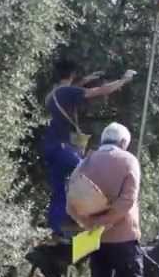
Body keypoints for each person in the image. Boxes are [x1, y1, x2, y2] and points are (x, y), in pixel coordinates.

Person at [67, 122, 144, 277]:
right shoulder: (129, 161)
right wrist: (107, 221)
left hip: (95, 237)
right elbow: (127, 201)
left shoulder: (85, 162)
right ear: (123, 142)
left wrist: (90, 224)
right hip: (124, 235)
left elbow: (71, 202)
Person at [41, 65, 136, 240]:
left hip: (51, 147)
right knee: (88, 175)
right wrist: (124, 80)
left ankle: (58, 230)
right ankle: (92, 223)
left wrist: (87, 79)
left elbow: (73, 88)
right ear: (72, 75)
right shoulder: (67, 92)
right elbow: (100, 91)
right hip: (64, 149)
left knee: (60, 189)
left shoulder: (52, 95)